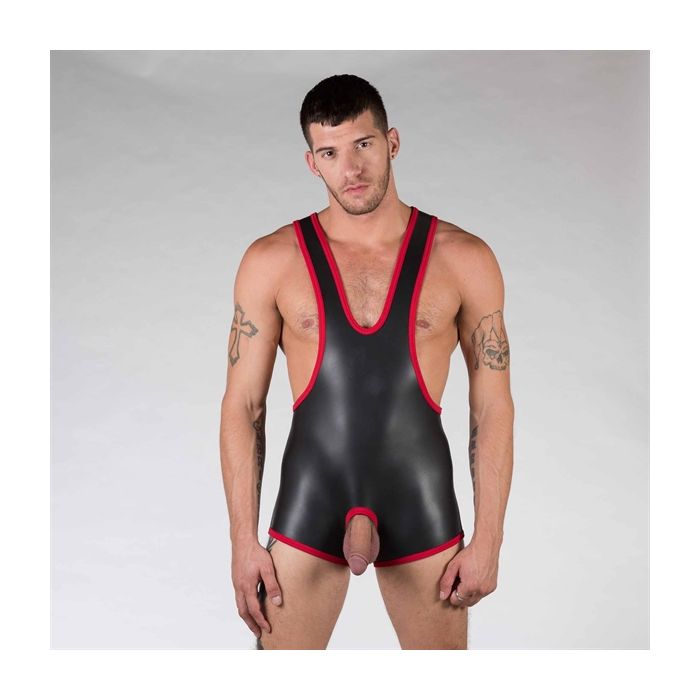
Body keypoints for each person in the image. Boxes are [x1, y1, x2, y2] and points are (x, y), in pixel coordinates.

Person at [219, 74, 514, 650]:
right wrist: (241, 542)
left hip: (419, 496)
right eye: (330, 153)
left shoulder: (464, 258)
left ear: (392, 142)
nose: (350, 168)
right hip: (311, 498)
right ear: (312, 163)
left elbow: (493, 406)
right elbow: (243, 405)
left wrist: (489, 541)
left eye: (363, 144)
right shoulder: (271, 260)